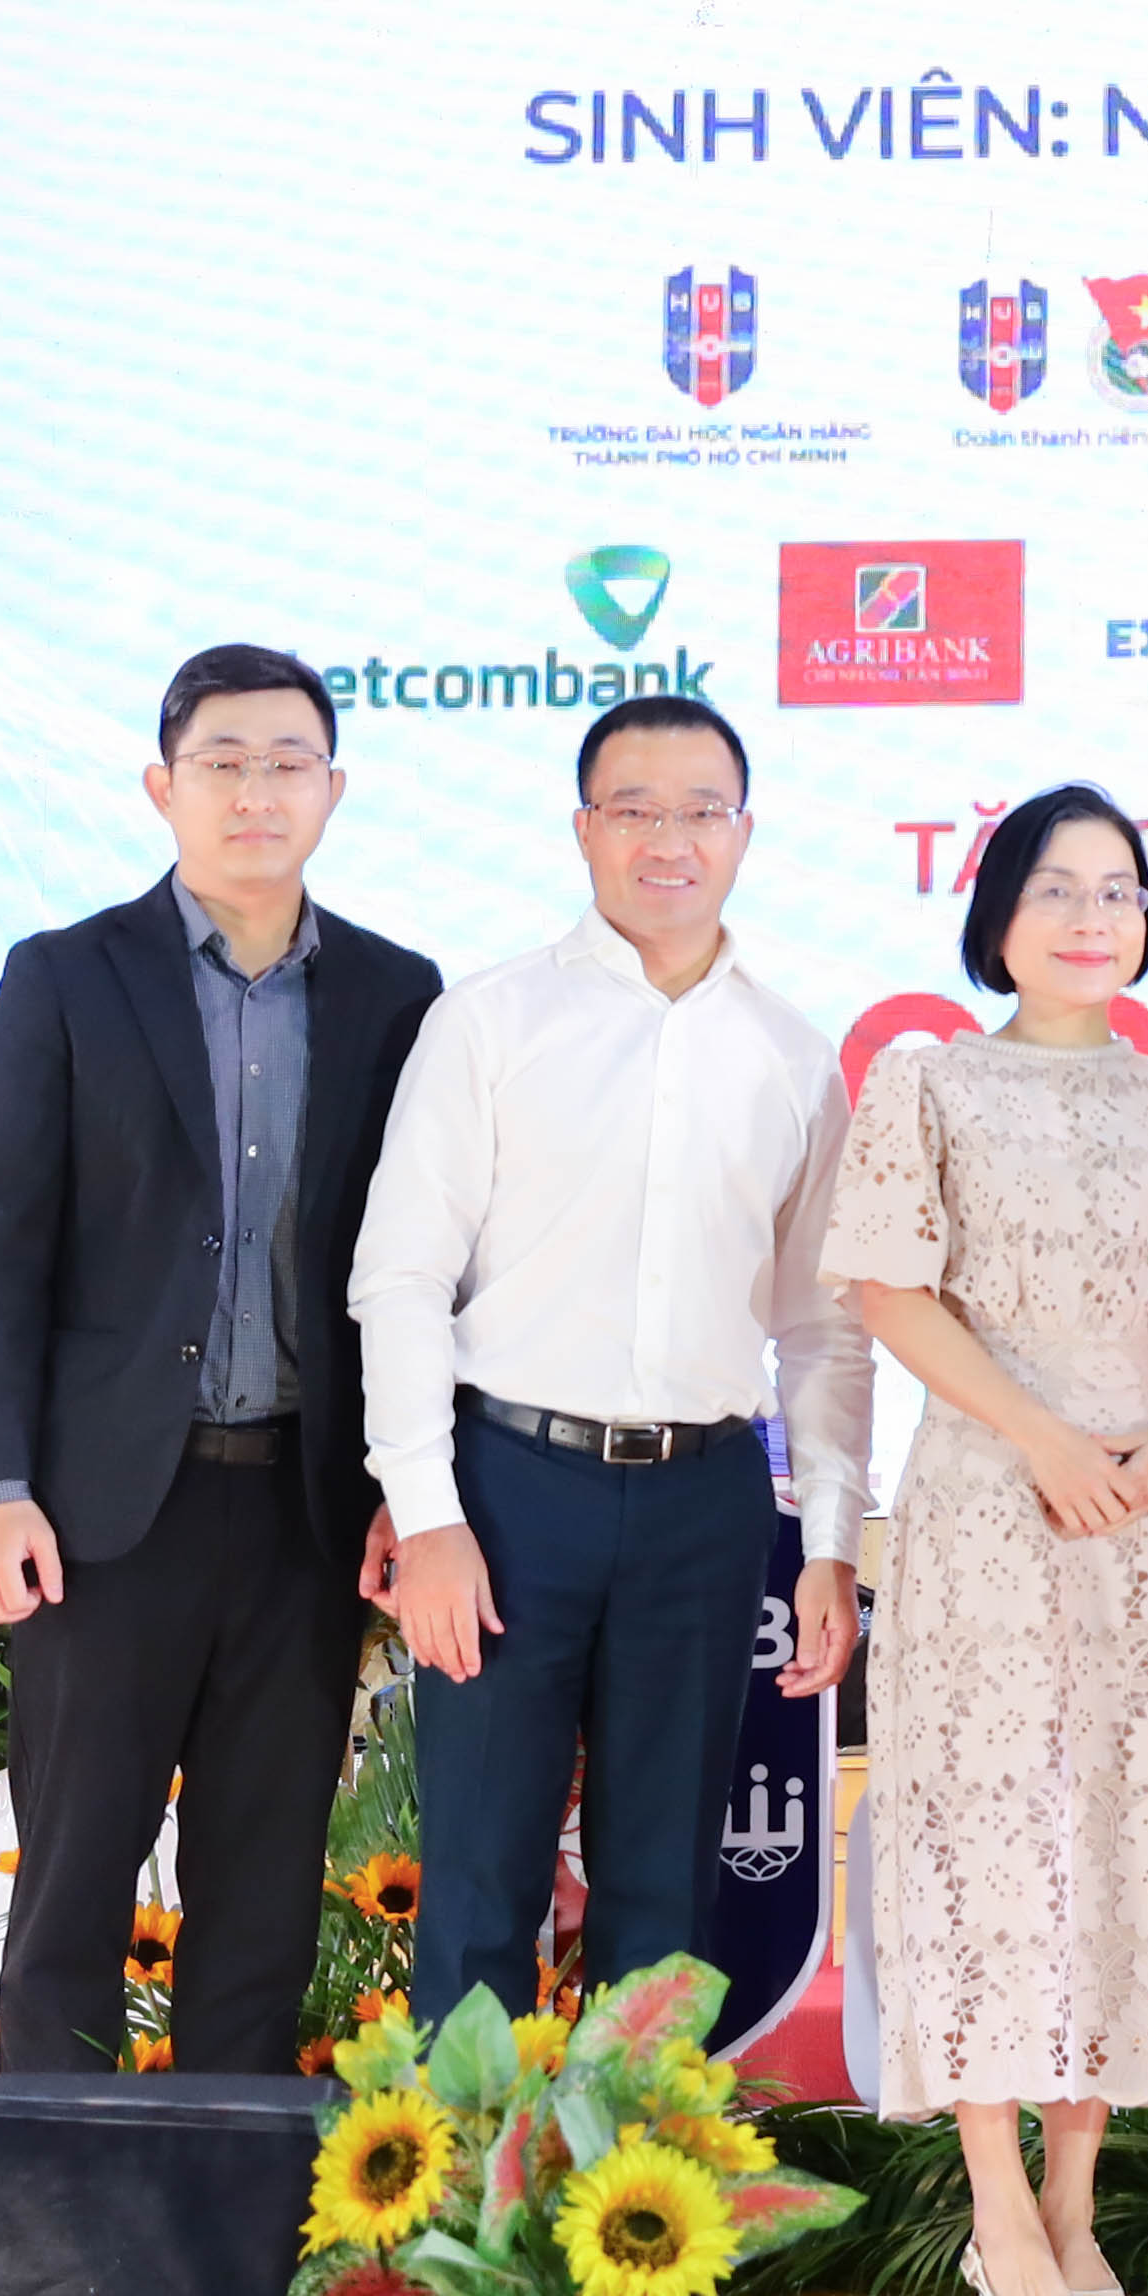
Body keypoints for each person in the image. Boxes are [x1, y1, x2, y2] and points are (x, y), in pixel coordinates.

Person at [0, 644, 447, 2084]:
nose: (255, 791)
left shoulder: (397, 996)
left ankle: (227, 2191)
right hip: (103, 1515)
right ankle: (48, 2191)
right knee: (72, 1882)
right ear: (163, 787)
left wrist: (406, 1487)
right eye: (223, 761)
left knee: (264, 1886)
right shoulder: (64, 977)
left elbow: (416, 1267)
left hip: (303, 1512)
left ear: (334, 790)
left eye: (289, 762)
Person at [349, 695, 868, 2036]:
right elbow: (400, 1280)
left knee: (664, 1885)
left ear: (743, 833)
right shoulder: (489, 1021)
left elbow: (821, 1325)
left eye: (701, 810)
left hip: (705, 1498)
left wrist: (831, 1539)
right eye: (634, 808)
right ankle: (468, 2165)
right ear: (584, 828)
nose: (668, 839)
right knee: (479, 1873)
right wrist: (427, 1514)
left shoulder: (795, 1059)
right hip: (508, 1489)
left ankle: (635, 2161)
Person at [832, 784, 1148, 2296]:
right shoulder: (929, 1077)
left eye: (1119, 888)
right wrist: (1041, 1437)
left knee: (1120, 1840)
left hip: (1139, 1521)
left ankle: (1075, 2199)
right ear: (995, 912)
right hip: (990, 1508)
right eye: (1057, 887)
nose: (1092, 915)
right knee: (990, 1841)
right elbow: (888, 1289)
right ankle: (995, 2201)